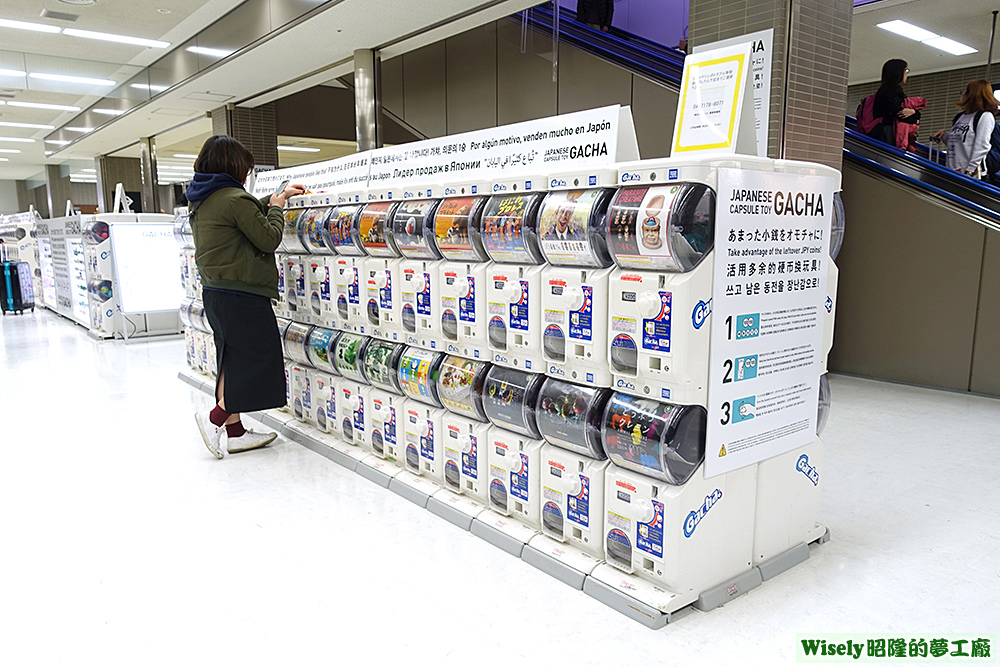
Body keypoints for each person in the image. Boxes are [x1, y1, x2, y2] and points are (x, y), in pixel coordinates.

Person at [186, 135, 305, 459]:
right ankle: (216, 420)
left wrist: (273, 197)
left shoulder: (204, 198)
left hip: (216, 293)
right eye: (246, 168)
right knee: (258, 360)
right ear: (233, 165)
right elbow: (267, 238)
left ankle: (236, 433)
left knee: (232, 360)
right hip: (242, 294)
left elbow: (242, 212)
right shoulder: (234, 199)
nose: (247, 173)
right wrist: (278, 208)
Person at [933, 80, 999, 179]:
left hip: (971, 174)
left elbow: (982, 145)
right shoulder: (960, 117)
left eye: (966, 91)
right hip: (952, 169)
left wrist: (971, 170)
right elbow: (960, 144)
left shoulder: (985, 116)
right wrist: (946, 136)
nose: (963, 93)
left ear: (972, 94)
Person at [869, 59, 919, 146]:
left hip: (893, 134)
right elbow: (900, 114)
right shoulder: (885, 92)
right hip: (887, 135)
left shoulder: (897, 92)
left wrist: (914, 112)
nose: (907, 73)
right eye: (906, 70)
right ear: (898, 72)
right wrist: (915, 118)